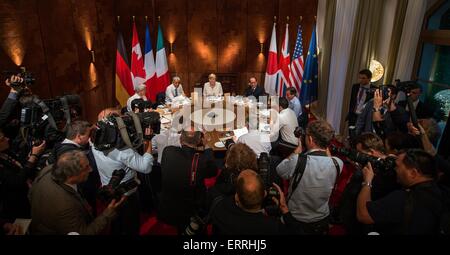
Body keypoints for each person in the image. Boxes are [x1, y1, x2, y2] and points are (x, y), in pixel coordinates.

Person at [29, 150, 125, 235]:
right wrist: (107, 215)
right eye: (86, 167)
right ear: (73, 176)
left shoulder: (48, 170)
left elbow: (30, 194)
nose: (90, 169)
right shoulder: (65, 206)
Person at [276, 120, 343, 234]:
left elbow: (280, 170)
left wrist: (296, 152)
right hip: (322, 219)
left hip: (296, 218)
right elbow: (328, 159)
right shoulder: (338, 163)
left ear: (310, 139)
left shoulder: (297, 160)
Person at [357, 149, 444, 234]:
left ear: (413, 173)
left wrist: (367, 182)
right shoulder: (439, 193)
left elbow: (364, 215)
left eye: (397, 166)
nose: (394, 169)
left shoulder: (405, 199)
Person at [91, 118, 154, 235]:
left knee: (116, 223)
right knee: (130, 226)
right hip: (126, 195)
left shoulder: (94, 144)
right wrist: (148, 140)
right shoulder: (122, 151)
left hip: (108, 189)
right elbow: (146, 167)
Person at [158, 130, 217, 233]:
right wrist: (207, 146)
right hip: (191, 210)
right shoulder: (201, 160)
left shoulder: (168, 151)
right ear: (199, 141)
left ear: (180, 140)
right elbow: (213, 171)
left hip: (169, 206)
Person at [210, 170, 287, 235]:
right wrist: (284, 209)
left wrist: (237, 187)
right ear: (265, 194)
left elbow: (214, 191)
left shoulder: (220, 212)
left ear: (237, 197)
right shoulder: (274, 227)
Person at [0, 129, 46, 220]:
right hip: (15, 204)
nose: (7, 139)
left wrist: (31, 154)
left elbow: (21, 167)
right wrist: (33, 156)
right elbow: (17, 181)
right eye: (2, 139)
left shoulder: (6, 152)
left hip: (28, 194)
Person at [347, 69, 376, 136]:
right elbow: (352, 101)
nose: (360, 80)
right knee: (351, 136)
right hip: (353, 116)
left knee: (360, 137)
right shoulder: (355, 86)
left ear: (369, 79)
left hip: (363, 118)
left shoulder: (374, 90)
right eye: (359, 77)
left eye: (363, 78)